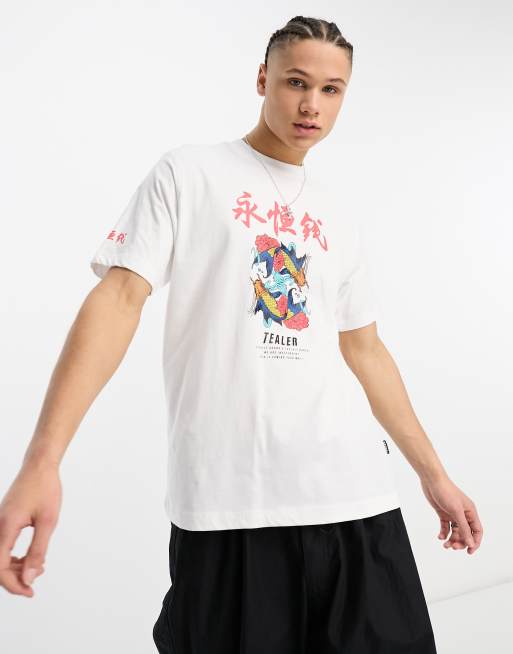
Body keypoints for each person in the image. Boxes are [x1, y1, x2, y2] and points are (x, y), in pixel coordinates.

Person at [0, 14, 483, 654]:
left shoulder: (338, 213)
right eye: (295, 82)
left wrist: (434, 475)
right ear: (262, 78)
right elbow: (118, 299)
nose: (311, 105)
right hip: (231, 508)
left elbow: (364, 349)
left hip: (355, 495)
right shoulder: (189, 173)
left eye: (331, 89)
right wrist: (43, 459)